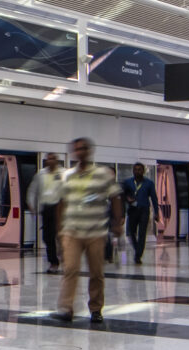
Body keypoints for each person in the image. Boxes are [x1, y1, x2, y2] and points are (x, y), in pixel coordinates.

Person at [52, 137, 118, 325]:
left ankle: (96, 309)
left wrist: (118, 223)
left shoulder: (103, 174)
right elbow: (61, 202)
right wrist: (59, 229)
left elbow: (115, 197)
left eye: (83, 149)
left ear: (89, 151)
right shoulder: (67, 175)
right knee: (70, 269)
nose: (80, 152)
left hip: (95, 232)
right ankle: (66, 308)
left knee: (96, 272)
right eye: (77, 149)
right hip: (71, 231)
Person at [35, 153, 65, 270]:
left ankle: (64, 253)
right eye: (48, 159)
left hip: (60, 206)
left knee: (60, 234)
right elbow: (35, 190)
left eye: (52, 158)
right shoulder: (41, 174)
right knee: (48, 237)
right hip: (47, 208)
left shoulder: (63, 173)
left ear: (57, 160)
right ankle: (53, 261)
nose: (50, 161)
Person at [124, 162, 153, 264]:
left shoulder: (149, 183)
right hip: (132, 210)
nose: (137, 171)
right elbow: (122, 195)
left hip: (144, 210)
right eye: (135, 169)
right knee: (131, 232)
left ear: (143, 171)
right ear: (133, 171)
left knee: (142, 233)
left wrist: (157, 213)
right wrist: (128, 199)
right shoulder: (127, 182)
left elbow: (154, 198)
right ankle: (137, 250)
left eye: (139, 169)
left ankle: (138, 255)